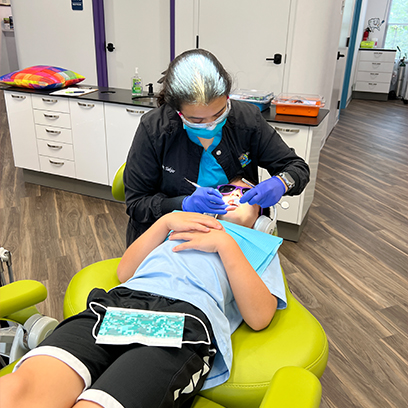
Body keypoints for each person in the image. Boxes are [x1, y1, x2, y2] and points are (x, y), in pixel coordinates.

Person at [0, 179, 287, 408]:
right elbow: (126, 271)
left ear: (261, 218)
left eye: (248, 194)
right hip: (117, 305)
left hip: (181, 321)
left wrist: (226, 244)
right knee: (20, 388)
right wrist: (165, 222)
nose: (235, 195)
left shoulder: (259, 246)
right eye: (228, 189)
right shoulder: (179, 226)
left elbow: (260, 316)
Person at [123, 48, 310, 246]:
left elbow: (297, 168)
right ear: (177, 111)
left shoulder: (247, 120)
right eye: (197, 119)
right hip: (167, 238)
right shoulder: (154, 129)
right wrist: (182, 204)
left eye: (220, 113)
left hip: (233, 236)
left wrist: (281, 183)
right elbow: (137, 204)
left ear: (228, 97)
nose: (211, 124)